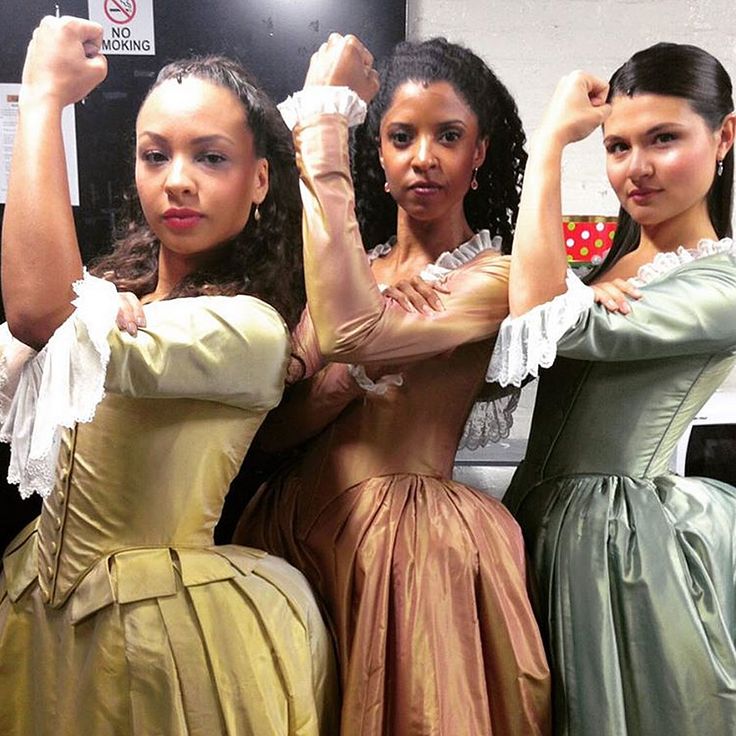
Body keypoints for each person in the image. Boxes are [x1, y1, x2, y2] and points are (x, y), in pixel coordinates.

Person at [0, 16, 337, 736]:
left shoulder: (251, 328)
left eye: (210, 158)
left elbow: (40, 318)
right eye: (155, 156)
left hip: (158, 640)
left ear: (259, 181)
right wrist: (86, 301)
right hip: (40, 616)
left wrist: (41, 99)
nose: (177, 181)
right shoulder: (108, 296)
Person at [236, 34, 551, 735]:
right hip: (292, 531)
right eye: (401, 136)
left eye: (449, 135)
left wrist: (321, 120)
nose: (424, 157)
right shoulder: (361, 271)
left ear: (480, 153)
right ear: (377, 155)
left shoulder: (496, 278)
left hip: (407, 554)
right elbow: (274, 426)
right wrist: (345, 380)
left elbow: (354, 332)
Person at [486, 42, 736, 735]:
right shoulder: (608, 267)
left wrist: (548, 144)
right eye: (618, 145)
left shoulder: (725, 283)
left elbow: (537, 318)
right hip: (533, 525)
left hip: (616, 552)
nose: (637, 168)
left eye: (664, 138)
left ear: (725, 137)